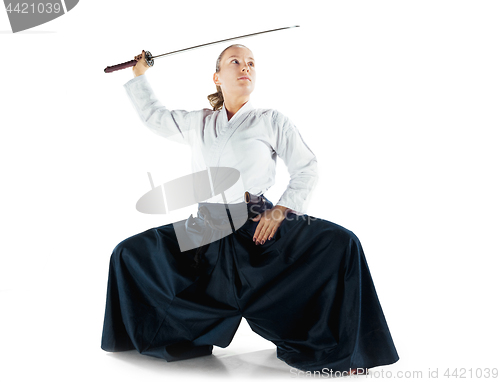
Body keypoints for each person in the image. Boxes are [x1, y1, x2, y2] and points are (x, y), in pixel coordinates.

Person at [101, 44, 399, 375]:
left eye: (251, 63)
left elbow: (306, 168)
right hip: (206, 227)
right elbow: (155, 117)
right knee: (129, 253)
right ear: (217, 77)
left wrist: (281, 210)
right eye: (235, 62)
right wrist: (139, 75)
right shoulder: (199, 122)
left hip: (257, 224)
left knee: (343, 243)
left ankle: (343, 351)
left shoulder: (270, 120)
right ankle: (149, 335)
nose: (246, 67)